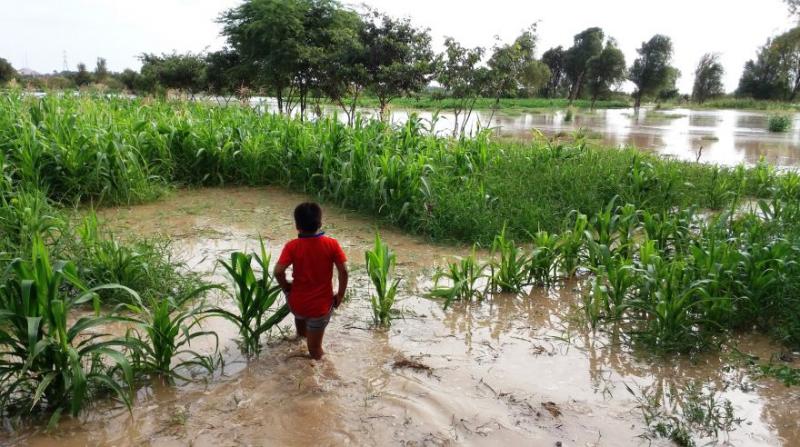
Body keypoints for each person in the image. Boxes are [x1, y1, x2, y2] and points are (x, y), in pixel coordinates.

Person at [274, 202, 348, 360]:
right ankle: (326, 373)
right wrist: (340, 295)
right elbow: (344, 271)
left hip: (297, 304)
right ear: (320, 223)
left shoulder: (292, 246)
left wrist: (287, 287)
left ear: (296, 225)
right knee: (315, 349)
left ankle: (301, 338)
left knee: (301, 328)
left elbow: (278, 271)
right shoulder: (331, 244)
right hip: (319, 309)